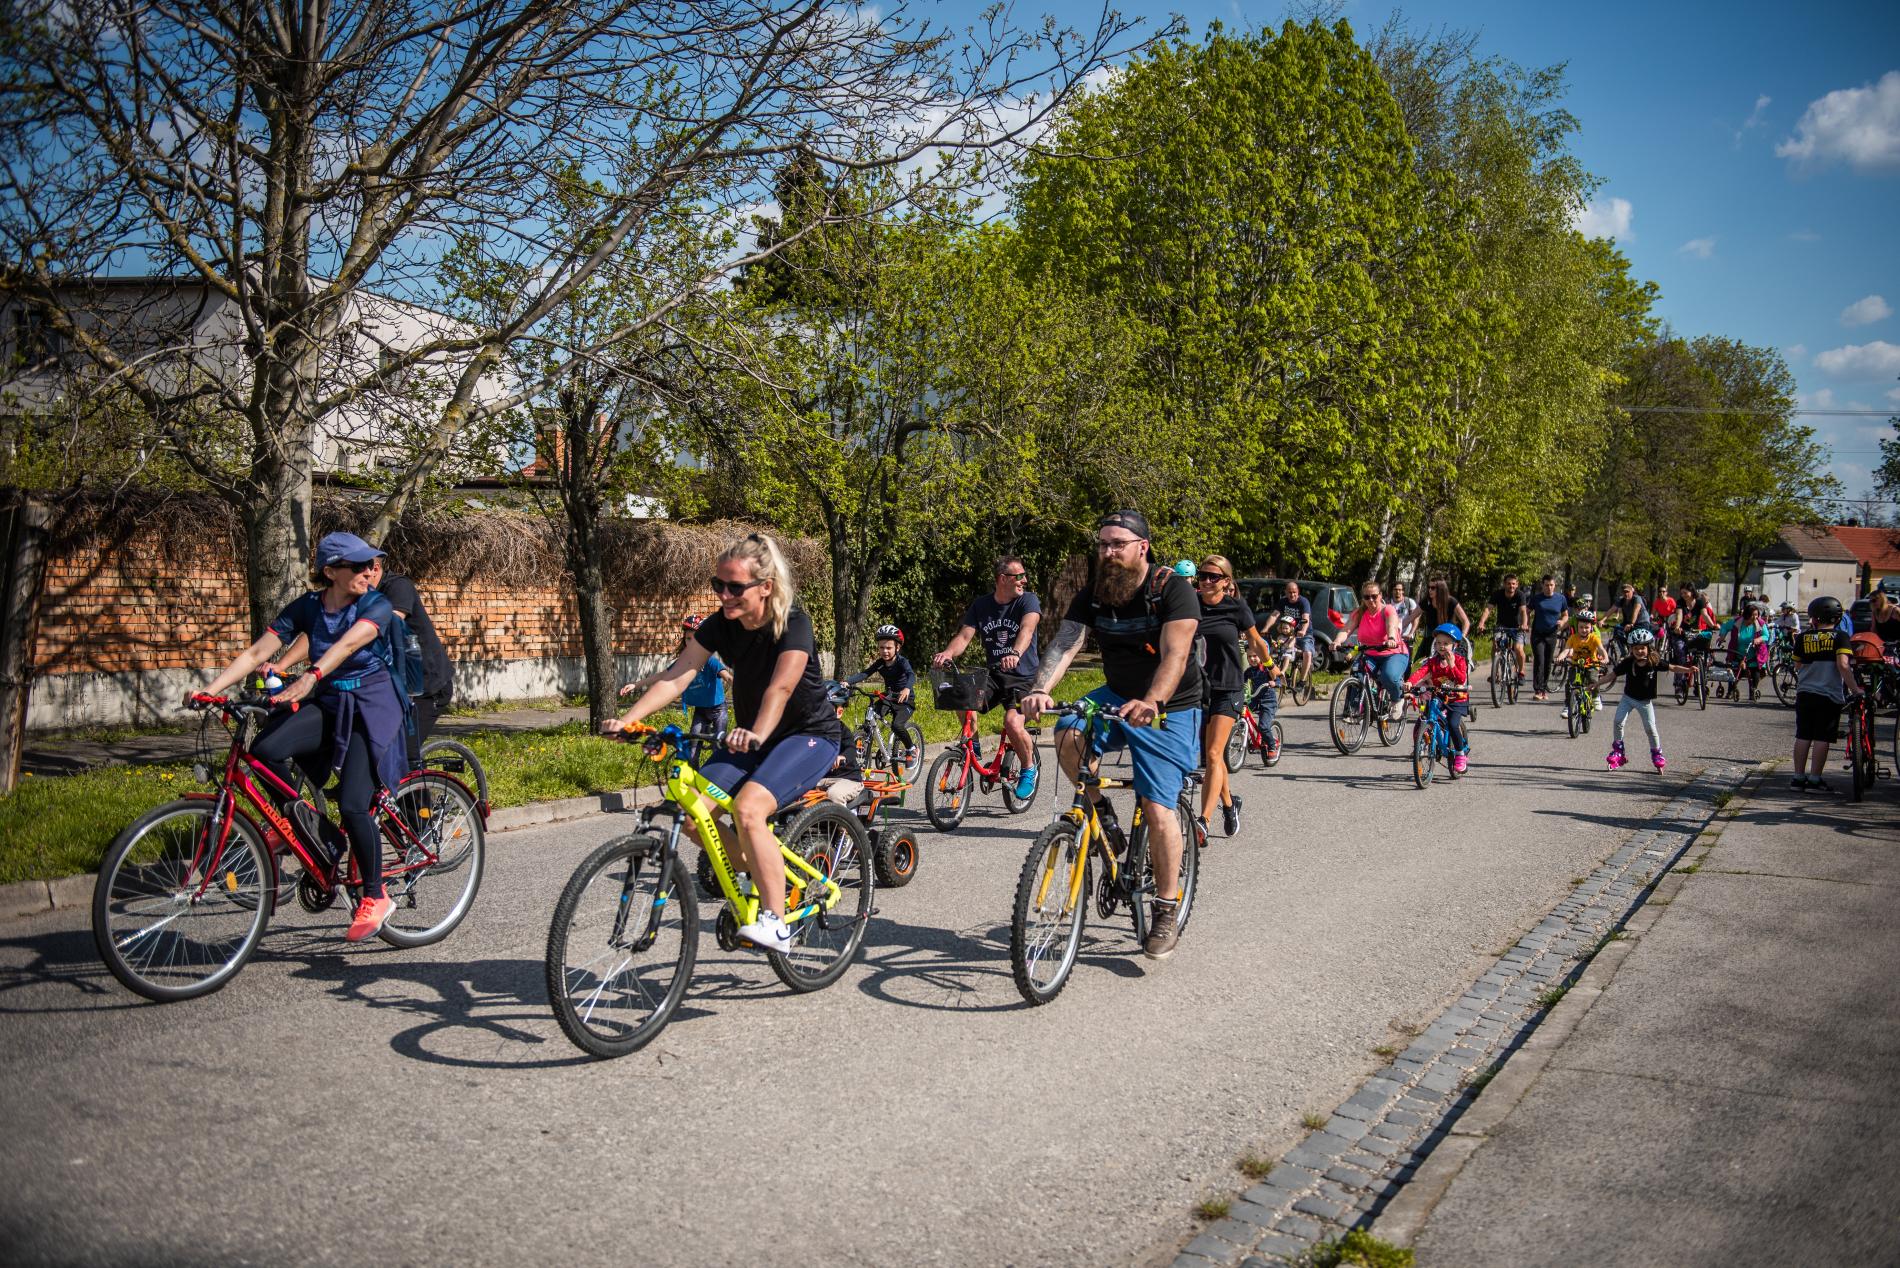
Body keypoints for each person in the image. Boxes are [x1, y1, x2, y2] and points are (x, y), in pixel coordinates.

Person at [607, 532, 843, 953]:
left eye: (735, 587)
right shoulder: (721, 624)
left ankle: (776, 923)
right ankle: (758, 871)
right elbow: (679, 674)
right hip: (750, 740)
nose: (724, 595)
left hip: (807, 736)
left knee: (750, 810)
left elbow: (781, 688)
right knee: (693, 813)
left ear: (765, 587)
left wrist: (756, 732)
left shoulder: (793, 623)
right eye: (719, 585)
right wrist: (629, 721)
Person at [193, 532, 411, 942]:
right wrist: (213, 689)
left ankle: (375, 894)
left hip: (372, 707)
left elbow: (348, 645)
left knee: (352, 803)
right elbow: (259, 653)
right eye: (359, 566)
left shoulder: (376, 604)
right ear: (330, 573)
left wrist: (311, 675)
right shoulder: (309, 607)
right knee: (265, 750)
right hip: (331, 701)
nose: (369, 572)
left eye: (371, 565)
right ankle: (314, 831)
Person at [1021, 509, 1202, 960]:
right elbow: (1066, 643)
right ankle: (1102, 814)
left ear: (1142, 547)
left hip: (1169, 706)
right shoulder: (1096, 593)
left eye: (1117, 544)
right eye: (1102, 544)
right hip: (1117, 694)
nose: (1108, 552)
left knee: (1158, 806)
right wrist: (1041, 688)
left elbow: (1175, 657)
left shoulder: (1171, 591)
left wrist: (1153, 701)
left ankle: (1165, 905)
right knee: (1067, 732)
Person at [933, 556, 1042, 800]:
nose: (1024, 580)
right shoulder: (981, 605)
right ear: (1002, 579)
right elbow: (964, 637)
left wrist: (1015, 652)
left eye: (1024, 576)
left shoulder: (1028, 600)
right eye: (1019, 576)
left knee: (1013, 723)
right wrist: (948, 653)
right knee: (960, 696)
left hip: (1024, 678)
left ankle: (1028, 769)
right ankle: (974, 739)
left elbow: (1027, 629)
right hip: (995, 674)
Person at [1193, 553, 1270, 838]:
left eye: (1214, 577)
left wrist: (1271, 667)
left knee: (1214, 753)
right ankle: (1228, 804)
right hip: (1199, 689)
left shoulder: (1236, 608)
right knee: (1214, 759)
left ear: (1226, 582)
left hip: (1229, 687)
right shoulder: (1190, 605)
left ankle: (1203, 821)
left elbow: (1256, 641)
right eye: (1203, 575)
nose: (1207, 581)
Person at [362, 555, 454, 750]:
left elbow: (389, 624)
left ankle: (417, 780)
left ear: (375, 568)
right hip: (391, 685)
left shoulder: (398, 587)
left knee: (400, 751)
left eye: (358, 570)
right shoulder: (358, 595)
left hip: (426, 686)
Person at [1790, 595, 1863, 793]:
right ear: (1836, 618)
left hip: (1805, 692)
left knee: (1803, 734)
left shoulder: (1803, 637)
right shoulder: (1841, 637)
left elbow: (1797, 665)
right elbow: (1843, 665)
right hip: (1828, 694)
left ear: (1815, 618)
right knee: (1822, 736)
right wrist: (1855, 689)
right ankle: (1815, 780)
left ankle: (1798, 778)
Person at [621, 614, 732, 736]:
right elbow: (662, 675)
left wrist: (741, 687)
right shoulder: (683, 663)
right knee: (693, 745)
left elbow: (727, 677)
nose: (691, 643)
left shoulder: (710, 662)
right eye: (688, 639)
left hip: (718, 710)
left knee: (718, 745)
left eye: (696, 639)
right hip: (701, 710)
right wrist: (635, 685)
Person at [1604, 626, 1688, 771]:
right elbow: (1612, 675)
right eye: (1636, 648)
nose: (1639, 651)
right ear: (1631, 649)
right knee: (1618, 721)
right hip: (1628, 698)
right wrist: (1596, 684)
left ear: (1648, 648)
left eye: (1642, 648)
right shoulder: (1628, 663)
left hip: (1645, 702)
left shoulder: (1653, 662)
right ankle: (1618, 752)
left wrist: (1688, 670)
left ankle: (1657, 754)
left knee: (1650, 729)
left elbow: (1672, 667)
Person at [1332, 578, 1409, 720]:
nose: (1371, 600)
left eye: (1374, 596)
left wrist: (1391, 638)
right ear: (1363, 598)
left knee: (1389, 676)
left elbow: (1391, 624)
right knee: (1356, 673)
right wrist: (1337, 641)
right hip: (1370, 654)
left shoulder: (1387, 609)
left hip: (1394, 653)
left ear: (1380, 595)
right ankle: (1354, 710)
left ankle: (1397, 699)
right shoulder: (1359, 613)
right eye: (1367, 597)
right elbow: (1346, 629)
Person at [1406, 623, 1471, 773]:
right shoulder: (1432, 662)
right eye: (1438, 643)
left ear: (1455, 645)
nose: (1441, 646)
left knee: (1453, 724)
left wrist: (1452, 664)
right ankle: (1422, 746)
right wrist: (1410, 682)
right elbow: (1421, 672)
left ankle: (1460, 754)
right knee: (1423, 719)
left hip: (1456, 699)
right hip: (1439, 696)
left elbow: (1461, 680)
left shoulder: (1460, 660)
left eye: (1446, 643)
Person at [846, 624, 917, 760]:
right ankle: (864, 743)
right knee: (870, 714)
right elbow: (865, 673)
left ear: (897, 647)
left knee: (897, 725)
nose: (885, 651)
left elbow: (911, 675)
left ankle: (911, 749)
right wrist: (847, 682)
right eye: (881, 647)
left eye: (889, 648)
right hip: (889, 698)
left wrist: (907, 688)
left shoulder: (902, 662)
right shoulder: (880, 663)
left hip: (905, 701)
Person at [1555, 609, 1611, 719]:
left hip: (1591, 663)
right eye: (1581, 627)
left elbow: (1600, 649)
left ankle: (1595, 697)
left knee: (1592, 678)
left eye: (1587, 627)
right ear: (1577, 627)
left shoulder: (1594, 638)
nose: (1584, 630)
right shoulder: (1573, 637)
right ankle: (1568, 706)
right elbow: (1566, 650)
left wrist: (1605, 657)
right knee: (1569, 684)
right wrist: (1560, 657)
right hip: (1576, 663)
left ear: (1591, 627)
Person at [1477, 574, 1531, 681]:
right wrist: (1481, 623)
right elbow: (1488, 609)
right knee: (1495, 646)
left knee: (1518, 649)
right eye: (1509, 584)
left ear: (1517, 585)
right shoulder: (1498, 594)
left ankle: (1521, 672)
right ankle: (1495, 673)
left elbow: (1523, 611)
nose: (1511, 586)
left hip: (1518, 627)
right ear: (1504, 584)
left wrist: (1524, 624)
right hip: (1502, 626)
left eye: (1513, 584)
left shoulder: (1520, 595)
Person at [1526, 575, 1570, 700]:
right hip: (1537, 634)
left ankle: (1544, 689)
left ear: (1554, 585)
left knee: (1548, 662)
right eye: (1546, 585)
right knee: (1539, 660)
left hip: (1552, 634)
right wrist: (1527, 623)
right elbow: (1527, 611)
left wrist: (1562, 622)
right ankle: (1538, 690)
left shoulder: (1560, 599)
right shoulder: (1537, 598)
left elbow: (1565, 615)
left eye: (1551, 585)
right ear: (1542, 585)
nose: (1549, 587)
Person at [1414, 576, 1470, 663]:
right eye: (1429, 587)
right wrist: (1398, 630)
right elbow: (1410, 618)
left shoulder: (1451, 601)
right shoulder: (1426, 602)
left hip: (1448, 638)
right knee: (1421, 663)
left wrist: (1462, 637)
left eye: (1433, 588)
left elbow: (1465, 621)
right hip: (1431, 638)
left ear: (1440, 589)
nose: (1429, 590)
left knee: (1451, 663)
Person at [1274, 580, 1316, 682]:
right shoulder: (1283, 601)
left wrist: (1303, 630)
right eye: (1290, 592)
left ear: (1298, 592)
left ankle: (1302, 681)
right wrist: (1265, 629)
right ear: (1286, 592)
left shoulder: (1303, 602)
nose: (1292, 594)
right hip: (1289, 633)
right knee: (1276, 651)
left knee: (1307, 653)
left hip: (1304, 634)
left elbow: (1306, 617)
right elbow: (1274, 615)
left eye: (1294, 592)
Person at [1243, 652, 1280, 763]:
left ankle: (1272, 746)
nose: (1252, 658)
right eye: (1250, 656)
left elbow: (1279, 679)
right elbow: (1241, 682)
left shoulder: (1266, 668)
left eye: (1255, 655)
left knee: (1263, 727)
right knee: (1239, 712)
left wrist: (1274, 683)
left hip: (1268, 701)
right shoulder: (1249, 671)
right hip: (1255, 699)